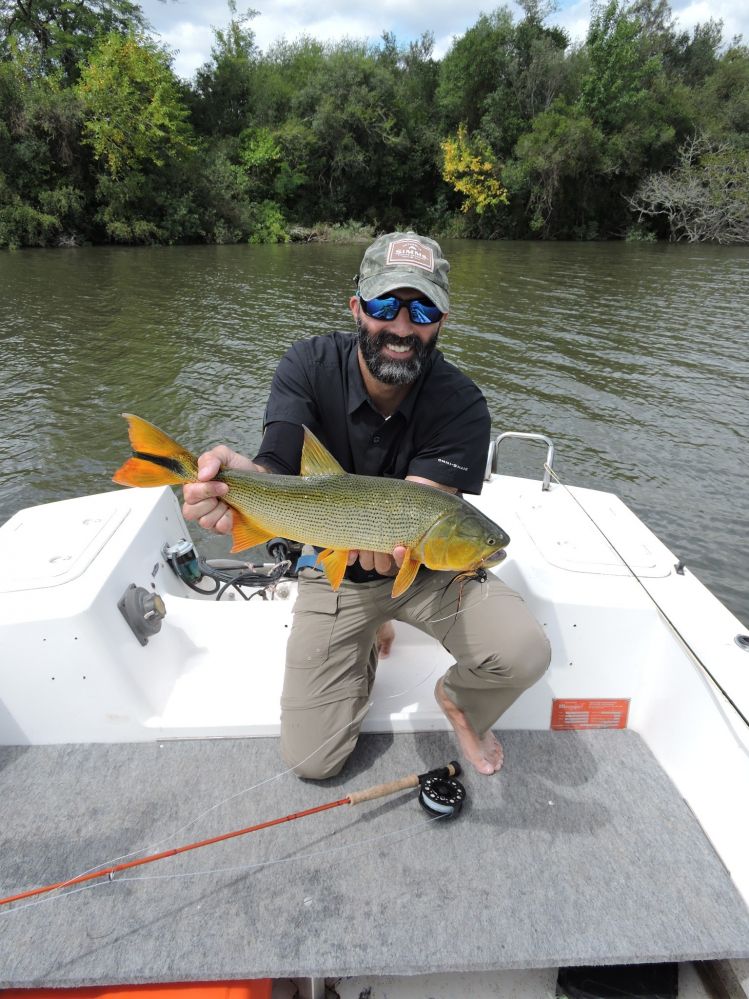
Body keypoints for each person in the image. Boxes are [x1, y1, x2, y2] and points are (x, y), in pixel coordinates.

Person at [182, 232, 551, 778]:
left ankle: (460, 702)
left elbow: (428, 518)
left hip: (423, 567)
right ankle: (371, 629)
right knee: (312, 763)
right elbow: (276, 472)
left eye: (423, 308)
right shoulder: (307, 365)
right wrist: (234, 486)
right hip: (334, 571)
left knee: (522, 651)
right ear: (357, 306)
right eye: (386, 305)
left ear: (442, 320)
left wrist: (413, 552)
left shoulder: (461, 403)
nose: (402, 326)